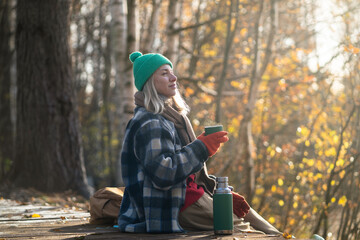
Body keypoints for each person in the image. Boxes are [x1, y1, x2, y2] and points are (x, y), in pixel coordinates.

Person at [117, 51, 282, 235]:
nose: (174, 77)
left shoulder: (171, 117)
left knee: (251, 216)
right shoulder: (151, 122)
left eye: (171, 72)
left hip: (188, 194)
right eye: (164, 73)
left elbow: (189, 174)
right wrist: (201, 147)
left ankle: (288, 238)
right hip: (171, 205)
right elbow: (163, 173)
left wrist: (216, 192)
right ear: (149, 82)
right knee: (243, 229)